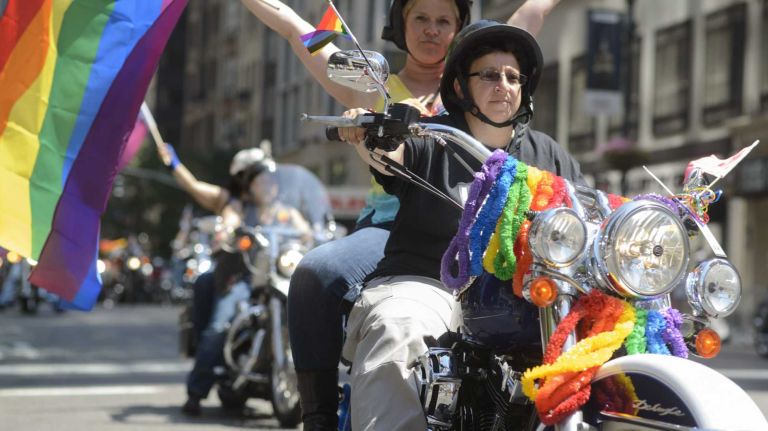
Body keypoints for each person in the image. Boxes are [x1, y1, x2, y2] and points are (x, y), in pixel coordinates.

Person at [238, 0, 563, 428]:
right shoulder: (373, 83)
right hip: (398, 225)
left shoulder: (481, 80)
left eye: (444, 21)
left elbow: (532, 13)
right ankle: (317, 415)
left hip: (480, 228)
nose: (432, 30)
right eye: (421, 19)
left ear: (462, 30)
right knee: (315, 271)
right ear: (401, 26)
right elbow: (297, 28)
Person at [337, 20, 584, 429]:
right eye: (489, 75)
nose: (503, 85)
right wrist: (369, 131)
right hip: (430, 284)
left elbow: (588, 210)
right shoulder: (432, 135)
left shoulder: (549, 153)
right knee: (399, 328)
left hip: (530, 300)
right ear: (460, 88)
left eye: (512, 77)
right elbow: (390, 155)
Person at [156, 144, 311, 416]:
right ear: (247, 182)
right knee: (219, 325)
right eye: (259, 177)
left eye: (269, 177)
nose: (267, 183)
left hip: (277, 278)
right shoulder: (236, 206)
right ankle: (196, 391)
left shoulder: (283, 211)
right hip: (240, 280)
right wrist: (173, 164)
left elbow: (308, 232)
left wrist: (318, 236)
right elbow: (196, 189)